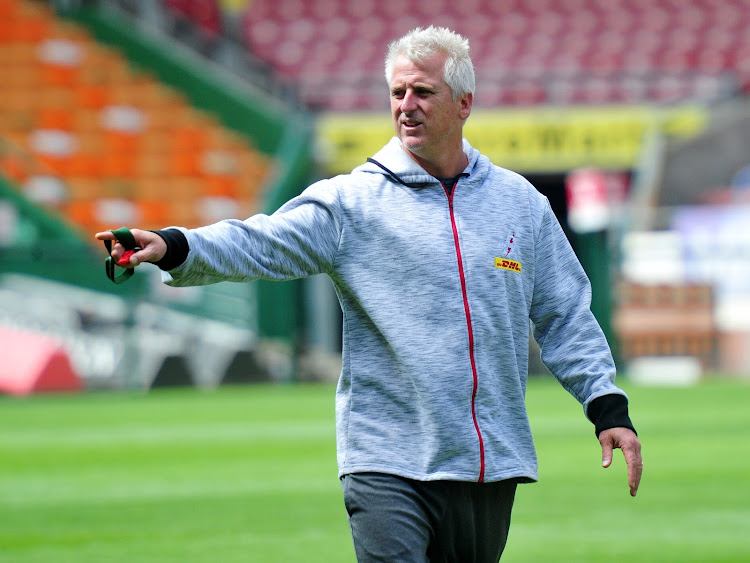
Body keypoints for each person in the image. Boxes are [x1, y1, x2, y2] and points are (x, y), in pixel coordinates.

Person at [97, 26, 642, 563]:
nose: (407, 105)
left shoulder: (520, 203)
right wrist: (174, 246)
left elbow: (564, 313)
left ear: (464, 103)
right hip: (387, 461)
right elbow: (260, 241)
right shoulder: (353, 202)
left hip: (488, 464)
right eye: (398, 92)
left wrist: (606, 405)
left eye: (423, 92)